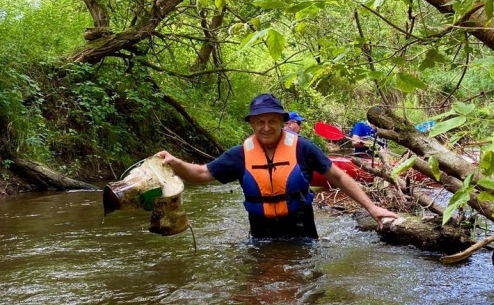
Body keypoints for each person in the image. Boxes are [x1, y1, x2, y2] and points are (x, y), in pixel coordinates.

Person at [156, 93, 398, 240]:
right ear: (251, 123)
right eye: (259, 121)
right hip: (261, 235)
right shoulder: (240, 155)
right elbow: (202, 173)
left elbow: (340, 178)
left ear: (282, 122)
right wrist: (175, 163)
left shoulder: (303, 148)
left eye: (272, 121)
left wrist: (372, 208)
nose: (266, 127)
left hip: (302, 231)